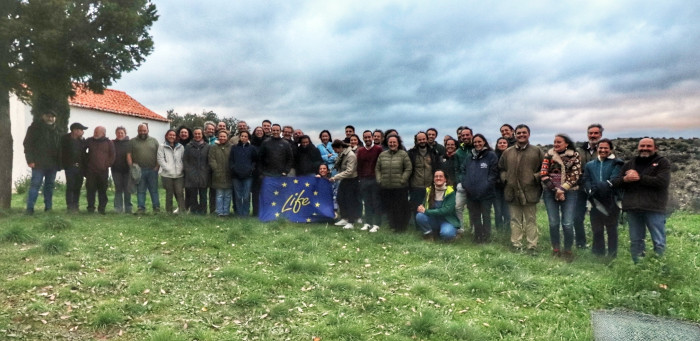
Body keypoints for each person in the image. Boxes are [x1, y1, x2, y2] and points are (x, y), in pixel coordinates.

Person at [611, 138, 671, 263]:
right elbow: (615, 182)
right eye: (642, 146)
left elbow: (662, 182)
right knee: (636, 241)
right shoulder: (630, 163)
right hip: (633, 208)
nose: (645, 148)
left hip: (654, 208)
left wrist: (639, 177)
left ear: (655, 148)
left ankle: (660, 267)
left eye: (648, 146)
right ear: (638, 148)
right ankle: (639, 267)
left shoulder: (662, 162)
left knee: (658, 241)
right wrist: (625, 179)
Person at [498, 124, 544, 252]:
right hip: (512, 191)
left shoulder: (537, 151)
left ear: (529, 134)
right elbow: (501, 168)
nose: (521, 135)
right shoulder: (508, 152)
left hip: (530, 191)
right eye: (519, 133)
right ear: (515, 135)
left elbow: (545, 169)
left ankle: (532, 246)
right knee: (515, 219)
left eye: (524, 133)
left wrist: (534, 177)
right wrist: (505, 178)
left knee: (530, 220)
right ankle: (516, 244)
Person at [541, 134, 581, 260]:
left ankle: (568, 250)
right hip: (550, 192)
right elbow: (543, 173)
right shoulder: (548, 155)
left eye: (559, 142)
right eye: (554, 142)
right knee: (553, 223)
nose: (556, 144)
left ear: (566, 143)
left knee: (567, 223)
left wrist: (562, 189)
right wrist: (556, 190)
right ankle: (556, 249)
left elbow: (575, 175)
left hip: (570, 192)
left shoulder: (575, 156)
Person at [583, 139, 623, 257]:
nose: (603, 150)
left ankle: (612, 255)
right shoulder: (590, 165)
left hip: (612, 200)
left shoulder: (617, 163)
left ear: (610, 149)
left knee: (611, 229)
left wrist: (598, 187)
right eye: (600, 148)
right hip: (595, 201)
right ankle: (598, 254)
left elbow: (614, 179)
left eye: (606, 148)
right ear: (597, 149)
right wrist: (590, 190)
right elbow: (586, 179)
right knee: (597, 229)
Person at [572, 123, 604, 249]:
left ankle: (598, 246)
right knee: (577, 217)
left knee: (597, 218)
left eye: (596, 133)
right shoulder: (579, 151)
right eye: (591, 133)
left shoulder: (606, 149)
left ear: (600, 135)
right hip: (580, 188)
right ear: (587, 134)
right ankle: (581, 243)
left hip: (598, 189)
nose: (593, 135)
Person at [23, 109, 61, 215]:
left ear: (55, 119)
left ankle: (48, 208)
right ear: (43, 116)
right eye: (48, 116)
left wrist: (59, 163)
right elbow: (27, 144)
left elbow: (60, 148)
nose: (50, 118)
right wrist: (30, 160)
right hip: (38, 163)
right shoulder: (34, 128)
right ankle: (30, 209)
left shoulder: (57, 130)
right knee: (35, 185)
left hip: (52, 164)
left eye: (52, 117)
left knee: (49, 186)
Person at [463, 134, 498, 243]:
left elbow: (493, 173)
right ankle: (477, 237)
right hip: (471, 193)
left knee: (486, 215)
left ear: (484, 142)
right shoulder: (469, 156)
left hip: (486, 193)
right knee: (475, 216)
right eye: (475, 142)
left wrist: (486, 185)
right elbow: (463, 170)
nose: (477, 144)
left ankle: (486, 237)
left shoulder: (491, 155)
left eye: (479, 142)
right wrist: (465, 184)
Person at [375, 135, 412, 232]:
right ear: (387, 143)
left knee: (399, 208)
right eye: (390, 142)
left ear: (398, 143)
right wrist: (379, 179)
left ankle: (401, 227)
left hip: (400, 187)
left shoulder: (403, 154)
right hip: (386, 186)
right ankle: (392, 226)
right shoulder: (382, 155)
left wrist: (403, 179)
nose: (392, 144)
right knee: (390, 208)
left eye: (394, 142)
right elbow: (377, 168)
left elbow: (408, 168)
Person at [416, 170, 460, 241]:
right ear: (433, 179)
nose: (438, 178)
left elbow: (446, 210)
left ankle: (449, 232)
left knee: (447, 234)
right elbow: (424, 204)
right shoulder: (429, 190)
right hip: (433, 219)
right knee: (419, 216)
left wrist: (426, 211)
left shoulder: (451, 192)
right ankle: (429, 234)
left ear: (445, 179)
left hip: (447, 220)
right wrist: (421, 207)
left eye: (440, 176)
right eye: (436, 176)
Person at [408, 132, 441, 224]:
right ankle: (418, 226)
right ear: (416, 141)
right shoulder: (411, 153)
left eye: (423, 139)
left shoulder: (434, 153)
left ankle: (431, 225)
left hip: (430, 185)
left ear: (426, 139)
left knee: (430, 207)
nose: (422, 141)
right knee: (416, 207)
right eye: (419, 140)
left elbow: (438, 168)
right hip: (416, 185)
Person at [128, 123, 161, 214]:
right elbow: (129, 155)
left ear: (148, 130)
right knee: (141, 190)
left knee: (154, 190)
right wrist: (132, 167)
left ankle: (156, 208)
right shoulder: (132, 141)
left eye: (144, 130)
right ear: (138, 131)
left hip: (152, 170)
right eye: (140, 130)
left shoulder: (154, 141)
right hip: (139, 171)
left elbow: (159, 154)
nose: (142, 132)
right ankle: (141, 208)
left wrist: (157, 167)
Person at [356, 130, 383, 232]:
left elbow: (381, 165)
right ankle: (368, 222)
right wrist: (360, 179)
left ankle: (377, 224)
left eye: (369, 137)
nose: (367, 139)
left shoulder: (378, 149)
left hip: (375, 179)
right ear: (363, 138)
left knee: (376, 202)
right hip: (364, 180)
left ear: (372, 138)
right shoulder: (361, 151)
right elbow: (359, 166)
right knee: (367, 202)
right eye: (365, 137)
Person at [84, 126, 115, 214]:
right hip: (91, 171)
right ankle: (90, 208)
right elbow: (82, 151)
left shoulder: (109, 143)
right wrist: (87, 161)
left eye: (97, 132)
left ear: (103, 133)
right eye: (94, 131)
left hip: (103, 171)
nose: (95, 133)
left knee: (102, 191)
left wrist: (106, 165)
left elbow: (112, 156)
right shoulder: (89, 140)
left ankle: (102, 209)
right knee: (90, 190)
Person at [330, 140, 360, 229]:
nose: (334, 151)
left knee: (349, 201)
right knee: (340, 198)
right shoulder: (342, 154)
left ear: (339, 147)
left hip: (352, 180)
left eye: (335, 149)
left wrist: (336, 177)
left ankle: (351, 222)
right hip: (344, 180)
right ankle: (344, 218)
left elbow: (349, 171)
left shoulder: (350, 155)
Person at [229, 130, 258, 216]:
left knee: (246, 196)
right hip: (236, 175)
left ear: (248, 138)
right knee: (238, 196)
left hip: (248, 175)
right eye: (242, 136)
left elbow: (255, 160)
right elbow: (231, 160)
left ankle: (245, 213)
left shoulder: (252, 148)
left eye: (246, 136)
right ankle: (238, 213)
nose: (244, 138)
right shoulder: (234, 148)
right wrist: (234, 168)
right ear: (239, 137)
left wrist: (251, 169)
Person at [61, 122, 87, 213]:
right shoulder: (65, 139)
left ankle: (76, 204)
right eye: (81, 130)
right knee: (70, 186)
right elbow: (61, 153)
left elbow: (84, 154)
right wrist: (64, 164)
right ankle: (70, 205)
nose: (83, 132)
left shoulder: (82, 141)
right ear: (75, 130)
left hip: (80, 167)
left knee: (78, 186)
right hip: (69, 167)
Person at [183, 128, 211, 214]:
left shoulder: (207, 146)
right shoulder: (188, 146)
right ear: (193, 135)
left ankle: (203, 211)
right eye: (196, 134)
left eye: (199, 134)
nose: (197, 135)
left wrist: (206, 170)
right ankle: (194, 211)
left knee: (203, 195)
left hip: (203, 174)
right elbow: (185, 160)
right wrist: (188, 171)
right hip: (192, 175)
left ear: (202, 135)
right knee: (193, 195)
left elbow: (209, 160)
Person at [157, 129, 185, 214]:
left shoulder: (181, 147)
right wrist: (168, 168)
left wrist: (181, 168)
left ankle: (182, 210)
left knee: (180, 193)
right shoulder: (162, 146)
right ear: (166, 136)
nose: (172, 136)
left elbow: (183, 159)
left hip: (179, 175)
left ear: (176, 136)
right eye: (170, 135)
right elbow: (160, 159)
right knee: (169, 193)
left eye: (173, 135)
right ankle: (169, 211)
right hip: (167, 175)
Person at [209, 130, 233, 217]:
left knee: (227, 195)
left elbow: (234, 159)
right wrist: (216, 169)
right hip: (218, 174)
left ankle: (226, 212)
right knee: (219, 195)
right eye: (221, 136)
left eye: (224, 136)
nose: (222, 138)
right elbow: (211, 159)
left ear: (227, 137)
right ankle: (219, 212)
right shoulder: (214, 147)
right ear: (218, 137)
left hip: (229, 174)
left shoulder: (231, 147)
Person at [454, 127, 474, 228]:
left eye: (467, 135)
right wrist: (460, 181)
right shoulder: (458, 152)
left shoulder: (476, 148)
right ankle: (460, 229)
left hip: (475, 185)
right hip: (462, 185)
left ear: (471, 135)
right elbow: (456, 169)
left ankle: (474, 228)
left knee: (473, 208)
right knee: (458, 207)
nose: (465, 137)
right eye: (463, 135)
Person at [112, 126, 133, 213]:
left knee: (127, 190)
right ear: (116, 134)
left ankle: (128, 208)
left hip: (127, 170)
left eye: (122, 133)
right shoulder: (112, 143)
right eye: (118, 133)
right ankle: (118, 208)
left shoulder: (130, 143)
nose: (120, 134)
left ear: (125, 134)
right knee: (118, 189)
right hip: (116, 170)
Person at [493, 137, 511, 231]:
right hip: (496, 187)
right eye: (500, 143)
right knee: (498, 211)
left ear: (507, 144)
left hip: (508, 187)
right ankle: (499, 230)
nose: (502, 144)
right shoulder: (493, 156)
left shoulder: (512, 155)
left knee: (507, 211)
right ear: (497, 144)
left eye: (504, 142)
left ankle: (507, 230)